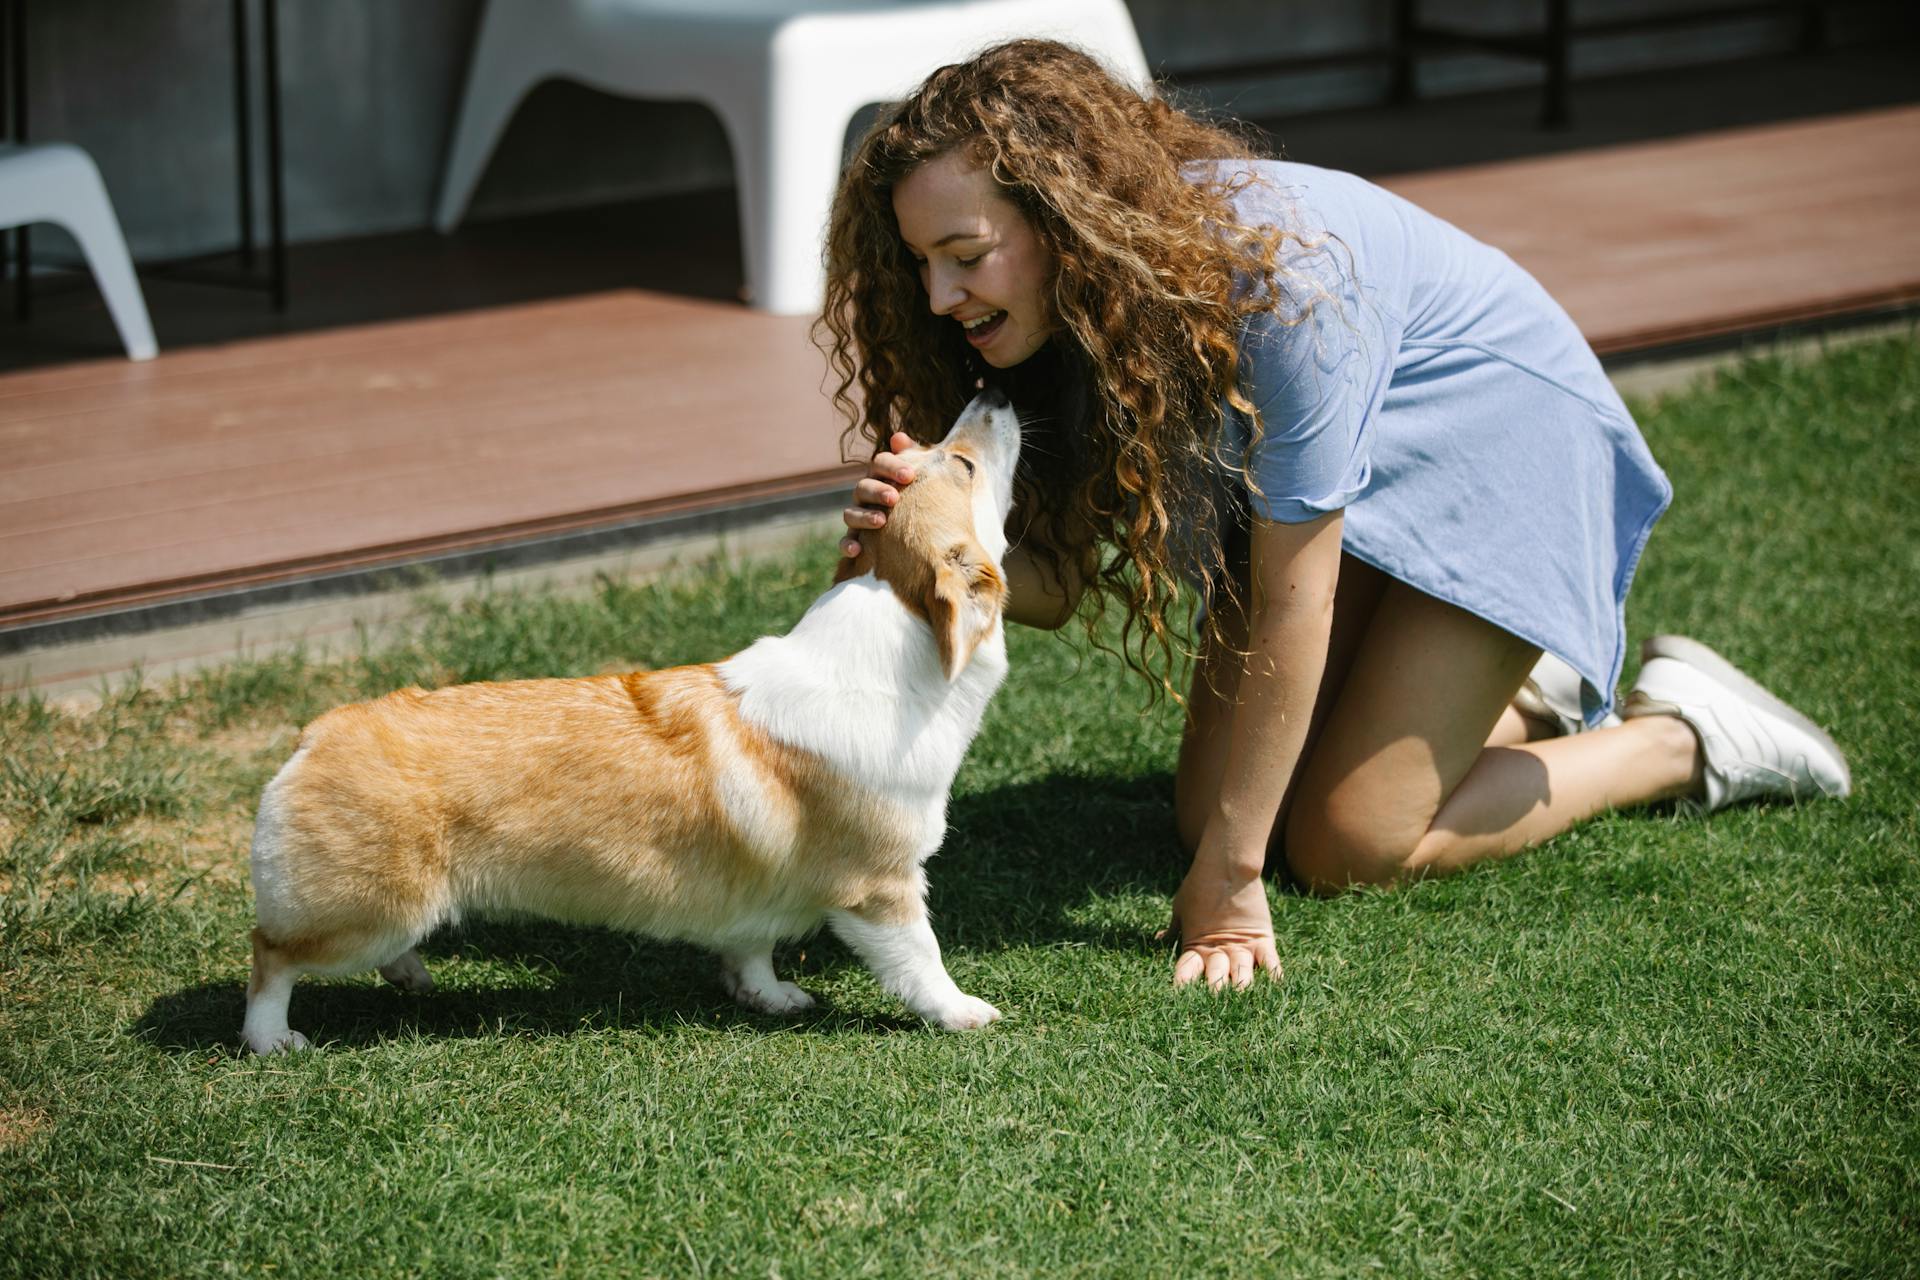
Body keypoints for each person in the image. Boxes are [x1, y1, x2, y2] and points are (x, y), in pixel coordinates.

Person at [820, 39, 1851, 991]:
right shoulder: (1063, 321)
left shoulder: (1287, 291)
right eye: (921, 262)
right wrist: (918, 543)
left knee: (1346, 842)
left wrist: (1231, 883)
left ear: (1065, 220)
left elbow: (1290, 604)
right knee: (1205, 809)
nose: (942, 292)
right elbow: (1057, 584)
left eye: (965, 252)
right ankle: (1498, 687)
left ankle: (1678, 733)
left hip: (1498, 447)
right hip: (1345, 486)